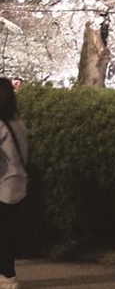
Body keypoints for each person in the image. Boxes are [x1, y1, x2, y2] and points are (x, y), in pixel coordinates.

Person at [0, 78, 27, 289]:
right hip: (19, 183)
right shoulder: (18, 123)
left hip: (3, 185)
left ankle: (8, 277)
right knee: (8, 234)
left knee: (3, 235)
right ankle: (7, 275)